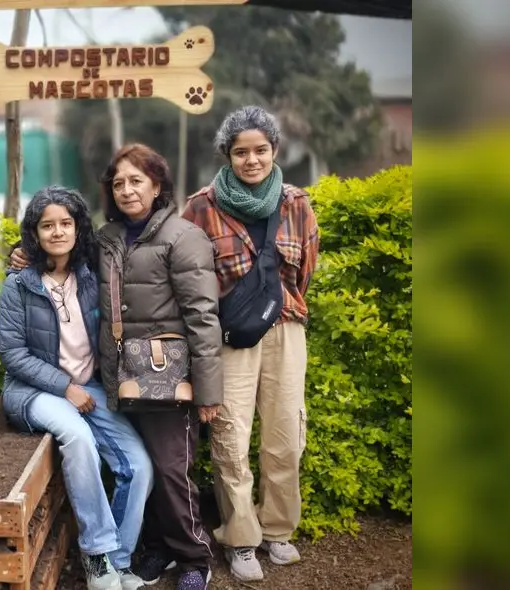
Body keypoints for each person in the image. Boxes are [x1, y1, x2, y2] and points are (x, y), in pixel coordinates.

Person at [9, 145, 223, 590]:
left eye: (136, 181)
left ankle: (170, 561)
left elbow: (203, 316)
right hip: (91, 383)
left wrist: (208, 390)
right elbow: (17, 344)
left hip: (158, 376)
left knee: (160, 467)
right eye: (119, 183)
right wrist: (22, 254)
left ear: (157, 186)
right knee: (111, 453)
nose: (127, 190)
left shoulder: (174, 239)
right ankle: (123, 555)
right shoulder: (102, 243)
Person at [181, 105, 319, 583]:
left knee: (284, 435)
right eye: (242, 152)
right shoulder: (201, 205)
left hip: (286, 328)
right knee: (230, 435)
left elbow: (304, 271)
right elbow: (185, 270)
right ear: (227, 155)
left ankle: (278, 530)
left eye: (261, 150)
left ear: (275, 151)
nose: (252, 160)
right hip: (230, 335)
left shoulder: (297, 203)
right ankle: (241, 539)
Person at [0, 185, 153, 590]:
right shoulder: (19, 285)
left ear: (78, 227)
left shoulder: (91, 275)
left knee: (138, 465)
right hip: (34, 392)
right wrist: (66, 388)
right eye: (46, 225)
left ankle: (119, 560)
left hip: (90, 388)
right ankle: (97, 557)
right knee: (78, 438)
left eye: (65, 223)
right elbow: (12, 355)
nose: (57, 232)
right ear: (33, 233)